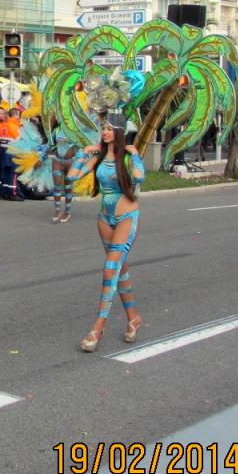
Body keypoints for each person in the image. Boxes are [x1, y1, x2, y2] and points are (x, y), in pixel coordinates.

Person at [68, 122, 146, 352]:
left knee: (110, 269)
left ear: (119, 132)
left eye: (110, 128)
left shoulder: (127, 157)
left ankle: (98, 327)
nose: (105, 132)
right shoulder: (99, 157)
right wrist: (84, 152)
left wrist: (135, 154)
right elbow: (73, 176)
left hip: (126, 217)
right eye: (103, 128)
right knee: (119, 271)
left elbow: (139, 178)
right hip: (104, 218)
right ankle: (134, 318)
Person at [50, 126, 80, 223]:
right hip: (58, 161)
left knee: (68, 187)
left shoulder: (74, 129)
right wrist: (41, 158)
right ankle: (57, 210)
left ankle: (67, 211)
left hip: (71, 162)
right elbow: (49, 144)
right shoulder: (56, 130)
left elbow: (82, 145)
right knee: (57, 186)